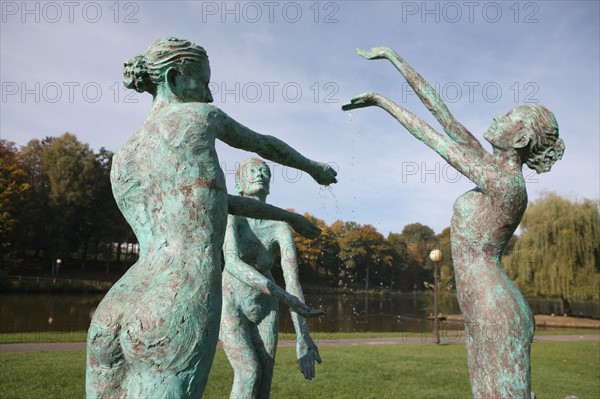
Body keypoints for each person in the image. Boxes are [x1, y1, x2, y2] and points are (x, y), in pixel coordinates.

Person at [86, 37, 336, 399]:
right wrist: (312, 168)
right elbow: (263, 143)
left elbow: (207, 200)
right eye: (202, 81)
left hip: (116, 305)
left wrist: (287, 217)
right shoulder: (202, 117)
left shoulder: (126, 154)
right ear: (173, 78)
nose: (210, 92)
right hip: (177, 301)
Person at [342, 47, 564, 399]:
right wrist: (392, 57)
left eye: (508, 116)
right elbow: (442, 115)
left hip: (497, 311)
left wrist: (385, 103)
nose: (497, 117)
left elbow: (436, 141)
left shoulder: (507, 185)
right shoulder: (490, 168)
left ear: (520, 140)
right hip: (479, 307)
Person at [220, 158, 322, 399]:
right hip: (231, 303)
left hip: (267, 310)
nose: (259, 175)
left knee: (264, 382)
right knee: (248, 372)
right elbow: (232, 263)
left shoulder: (280, 227)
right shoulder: (233, 216)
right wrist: (280, 293)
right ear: (238, 182)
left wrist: (303, 336)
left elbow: (293, 282)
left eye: (264, 172)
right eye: (252, 171)